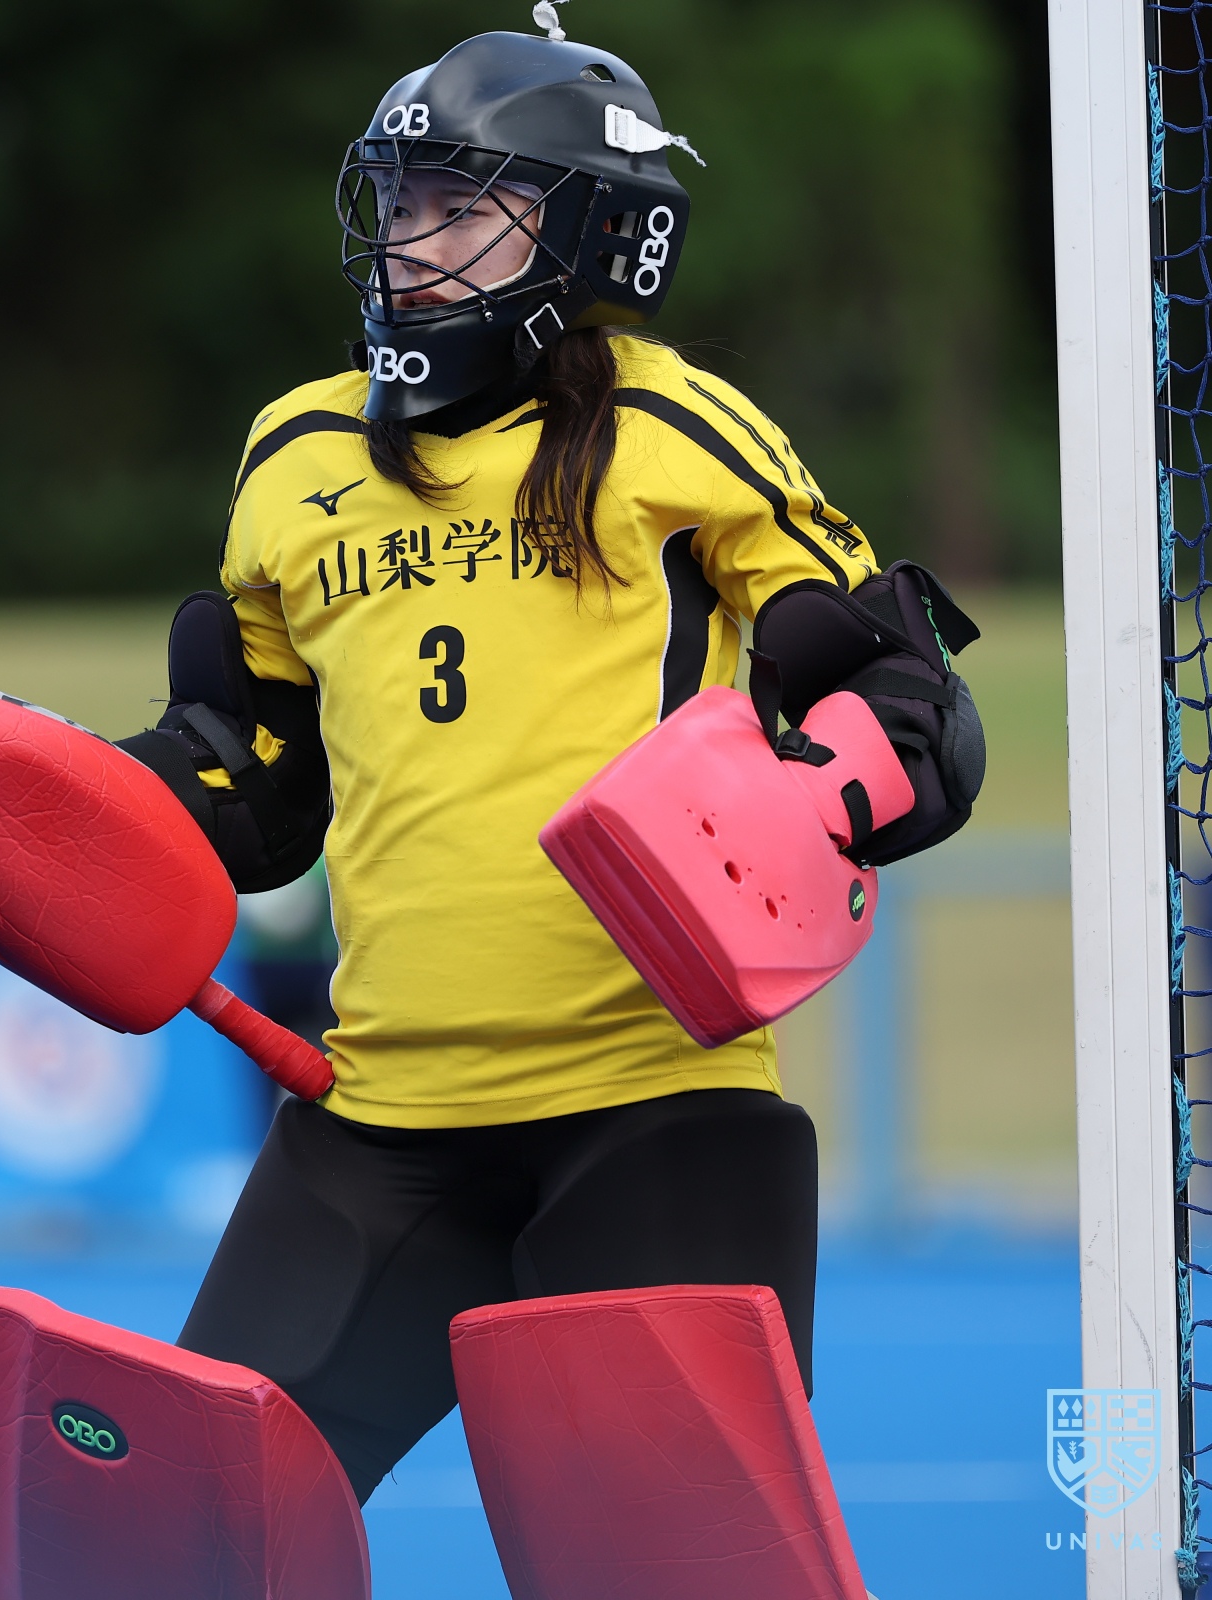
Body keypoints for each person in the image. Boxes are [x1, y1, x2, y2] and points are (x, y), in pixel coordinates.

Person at [115, 26, 985, 1503]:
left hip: (658, 1112)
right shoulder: (291, 456)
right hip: (377, 1126)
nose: (411, 242)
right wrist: (57, 809)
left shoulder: (673, 427)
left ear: (593, 232)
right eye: (399, 204)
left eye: (460, 206)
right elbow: (253, 790)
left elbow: (908, 701)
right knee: (178, 1535)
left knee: (678, 1571)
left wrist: (824, 793)